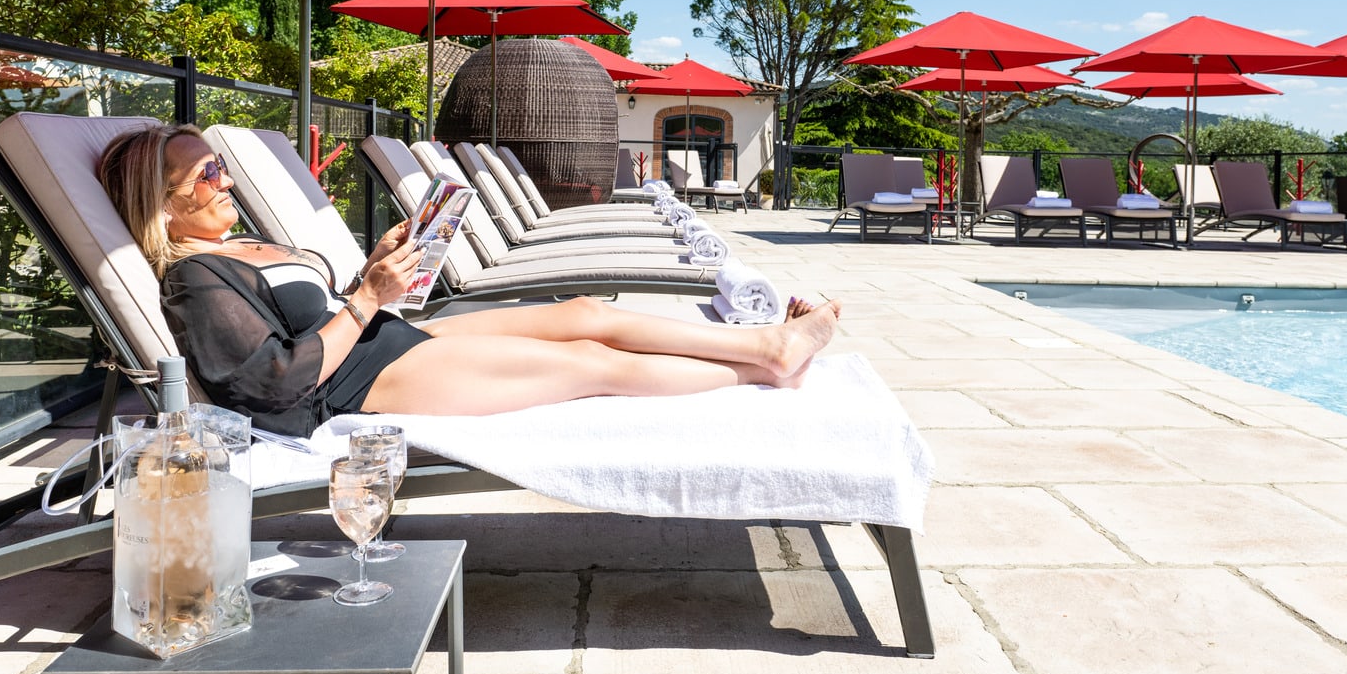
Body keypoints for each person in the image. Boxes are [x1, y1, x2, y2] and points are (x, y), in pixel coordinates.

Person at [97, 124, 841, 435]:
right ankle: (766, 365)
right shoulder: (194, 279)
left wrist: (372, 271)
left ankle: (755, 340)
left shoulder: (245, 245)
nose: (225, 179)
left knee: (583, 307)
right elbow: (270, 381)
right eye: (209, 170)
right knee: (590, 365)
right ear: (163, 200)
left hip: (381, 337)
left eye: (223, 165)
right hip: (351, 384)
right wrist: (365, 299)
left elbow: (314, 312)